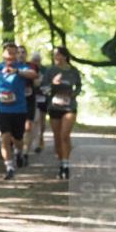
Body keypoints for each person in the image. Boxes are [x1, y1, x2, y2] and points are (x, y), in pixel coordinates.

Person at [0, 42, 38, 180]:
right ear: (3, 53)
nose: (11, 55)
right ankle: (9, 167)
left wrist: (17, 72)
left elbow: (33, 74)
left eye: (14, 52)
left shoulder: (21, 67)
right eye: (9, 52)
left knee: (17, 138)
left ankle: (18, 151)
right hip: (3, 109)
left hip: (19, 110)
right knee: (5, 137)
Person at [41, 46, 83, 179]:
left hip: (69, 106)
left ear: (65, 56)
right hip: (54, 107)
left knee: (65, 135)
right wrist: (53, 85)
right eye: (54, 55)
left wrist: (74, 94)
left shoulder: (73, 71)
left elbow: (79, 86)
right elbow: (44, 89)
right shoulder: (50, 71)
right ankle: (61, 163)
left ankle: (66, 165)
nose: (56, 58)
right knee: (57, 137)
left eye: (58, 55)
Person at [17, 45, 39, 166]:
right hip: (15, 101)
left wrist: (37, 81)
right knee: (17, 129)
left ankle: (25, 153)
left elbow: (36, 82)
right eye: (19, 52)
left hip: (29, 99)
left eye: (23, 52)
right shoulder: (12, 66)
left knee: (28, 127)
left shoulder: (32, 66)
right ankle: (17, 150)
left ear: (26, 54)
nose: (21, 54)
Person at [29, 50, 48, 154]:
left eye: (38, 60)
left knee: (42, 120)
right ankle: (33, 142)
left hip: (43, 97)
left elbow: (48, 82)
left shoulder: (45, 70)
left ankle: (40, 138)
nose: (36, 62)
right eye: (34, 60)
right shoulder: (29, 68)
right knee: (34, 120)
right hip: (31, 97)